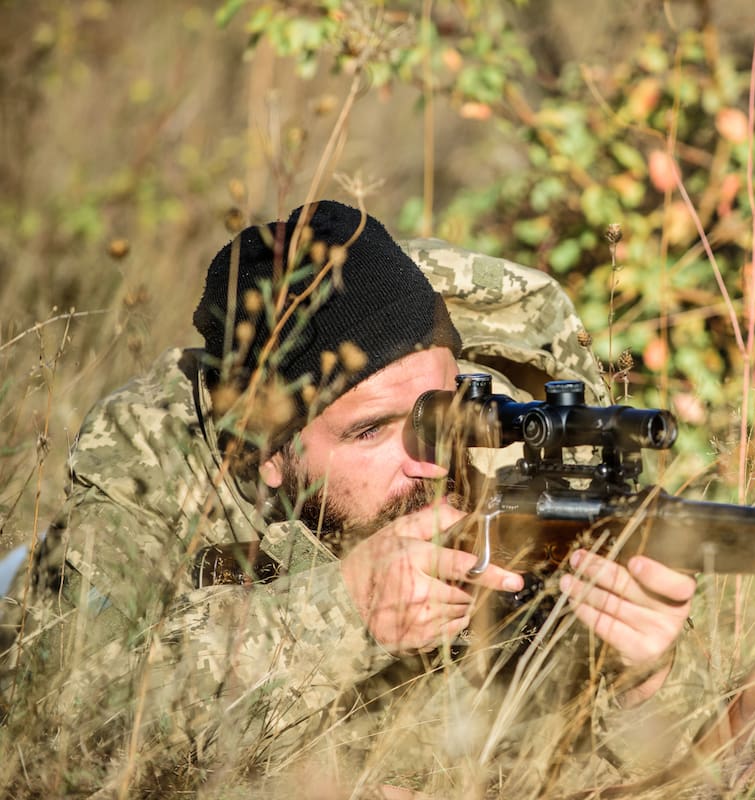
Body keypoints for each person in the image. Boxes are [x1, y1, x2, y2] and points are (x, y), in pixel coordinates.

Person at [0, 200, 705, 796]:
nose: (429, 463)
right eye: (371, 432)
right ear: (264, 453)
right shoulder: (151, 466)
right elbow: (65, 735)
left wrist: (636, 680)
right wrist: (342, 612)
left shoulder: (511, 440)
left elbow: (590, 755)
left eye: (440, 411)